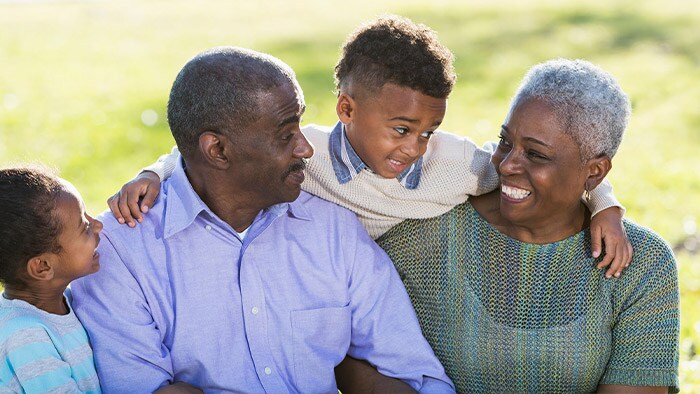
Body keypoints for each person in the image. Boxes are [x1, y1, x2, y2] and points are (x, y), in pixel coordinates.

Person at [108, 15, 633, 278]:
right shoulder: (302, 158)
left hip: (388, 288)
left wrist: (604, 205)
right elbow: (204, 156)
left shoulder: (453, 166)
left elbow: (536, 169)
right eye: (401, 130)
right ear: (346, 110)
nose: (414, 148)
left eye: (427, 131)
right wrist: (152, 175)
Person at [70, 46, 454, 393]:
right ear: (217, 150)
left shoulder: (333, 230)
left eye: (301, 127)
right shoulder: (119, 253)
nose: (305, 148)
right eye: (286, 135)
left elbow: (415, 374)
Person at [374, 59, 680, 392]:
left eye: (535, 154)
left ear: (594, 172)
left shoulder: (642, 263)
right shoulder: (423, 231)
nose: (506, 165)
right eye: (505, 142)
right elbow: (358, 352)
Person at [0, 166, 102, 393]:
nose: (98, 225)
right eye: (84, 227)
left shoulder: (63, 298)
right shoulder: (25, 337)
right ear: (43, 267)